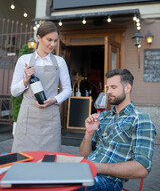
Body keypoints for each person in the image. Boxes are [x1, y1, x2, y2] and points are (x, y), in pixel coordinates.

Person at [79, 69, 156, 191]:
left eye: (113, 87)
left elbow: (142, 168)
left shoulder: (140, 119)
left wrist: (96, 167)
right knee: (48, 180)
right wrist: (89, 134)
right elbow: (84, 155)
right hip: (85, 171)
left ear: (127, 88)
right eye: (107, 87)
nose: (108, 91)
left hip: (108, 180)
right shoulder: (103, 117)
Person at [11, 21, 72, 152]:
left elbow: (68, 89)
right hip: (27, 118)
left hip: (50, 117)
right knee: (23, 160)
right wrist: (26, 80)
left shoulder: (60, 62)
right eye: (49, 40)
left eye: (55, 41)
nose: (53, 44)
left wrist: (54, 100)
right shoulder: (24, 60)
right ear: (38, 37)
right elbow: (14, 91)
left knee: (49, 161)